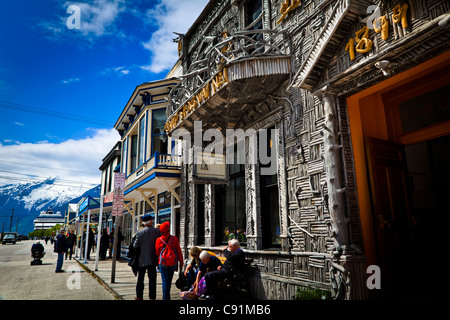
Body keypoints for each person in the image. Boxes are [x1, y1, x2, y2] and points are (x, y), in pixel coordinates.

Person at [133, 215, 161, 300]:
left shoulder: (139, 233)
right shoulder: (157, 232)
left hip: (142, 259)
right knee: (152, 280)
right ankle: (152, 297)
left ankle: (139, 296)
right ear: (151, 221)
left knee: (140, 278)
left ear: (143, 222)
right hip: (153, 259)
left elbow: (135, 246)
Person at [155, 221, 183, 300]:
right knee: (169, 280)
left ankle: (166, 298)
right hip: (172, 262)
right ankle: (167, 296)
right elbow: (178, 251)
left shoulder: (158, 240)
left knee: (165, 280)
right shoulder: (174, 239)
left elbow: (157, 253)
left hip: (163, 262)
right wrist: (181, 262)